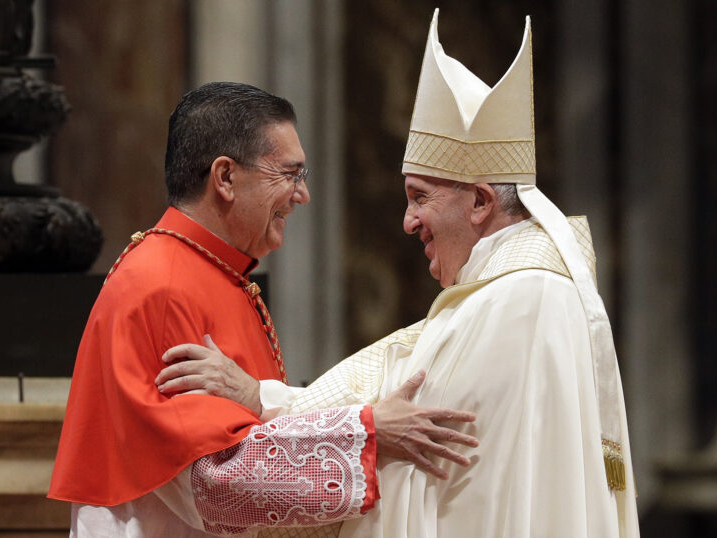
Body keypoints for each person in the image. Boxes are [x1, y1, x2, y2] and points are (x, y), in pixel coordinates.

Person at [161, 11, 640, 538]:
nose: (408, 222)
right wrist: (269, 399)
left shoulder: (520, 300)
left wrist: (261, 400)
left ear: (480, 201)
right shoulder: (507, 292)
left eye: (420, 198)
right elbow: (393, 396)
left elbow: (408, 424)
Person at [47, 82, 479, 537]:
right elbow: (215, 482)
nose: (302, 195)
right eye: (290, 174)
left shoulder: (216, 273)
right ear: (226, 178)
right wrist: (367, 435)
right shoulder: (163, 286)